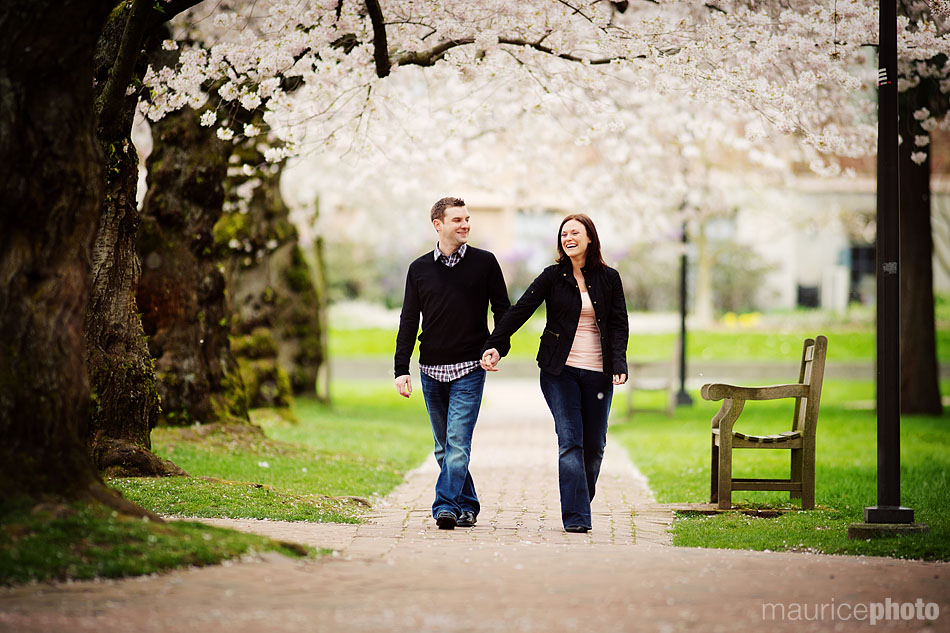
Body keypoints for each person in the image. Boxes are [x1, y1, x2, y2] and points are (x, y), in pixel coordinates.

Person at [480, 213, 628, 533]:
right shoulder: (552, 276)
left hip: (598, 374)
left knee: (595, 445)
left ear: (590, 238)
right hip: (559, 372)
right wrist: (494, 343)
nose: (567, 237)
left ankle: (578, 501)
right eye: (563, 233)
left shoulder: (609, 278)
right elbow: (519, 310)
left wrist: (619, 364)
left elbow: (618, 325)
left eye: (575, 232)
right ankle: (576, 517)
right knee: (570, 441)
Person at [394, 197, 511, 530]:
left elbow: (503, 311)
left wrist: (497, 347)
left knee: (458, 443)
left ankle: (444, 506)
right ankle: (468, 504)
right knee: (445, 449)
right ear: (438, 224)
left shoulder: (485, 263)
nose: (465, 225)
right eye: (457, 220)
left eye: (467, 219)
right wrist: (401, 368)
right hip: (430, 369)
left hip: (469, 369)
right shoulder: (419, 269)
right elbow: (408, 320)